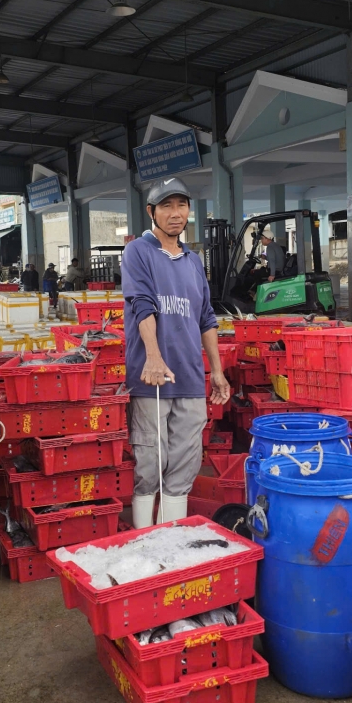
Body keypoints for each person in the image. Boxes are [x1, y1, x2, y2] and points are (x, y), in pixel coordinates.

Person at [123, 178, 231, 528]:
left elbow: (206, 318)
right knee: (150, 461)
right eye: (166, 206)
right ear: (151, 211)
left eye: (181, 205)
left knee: (185, 460)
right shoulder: (138, 251)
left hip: (188, 377)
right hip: (151, 377)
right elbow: (142, 304)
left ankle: (170, 541)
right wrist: (153, 357)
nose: (175, 214)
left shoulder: (193, 261)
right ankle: (144, 538)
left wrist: (216, 370)